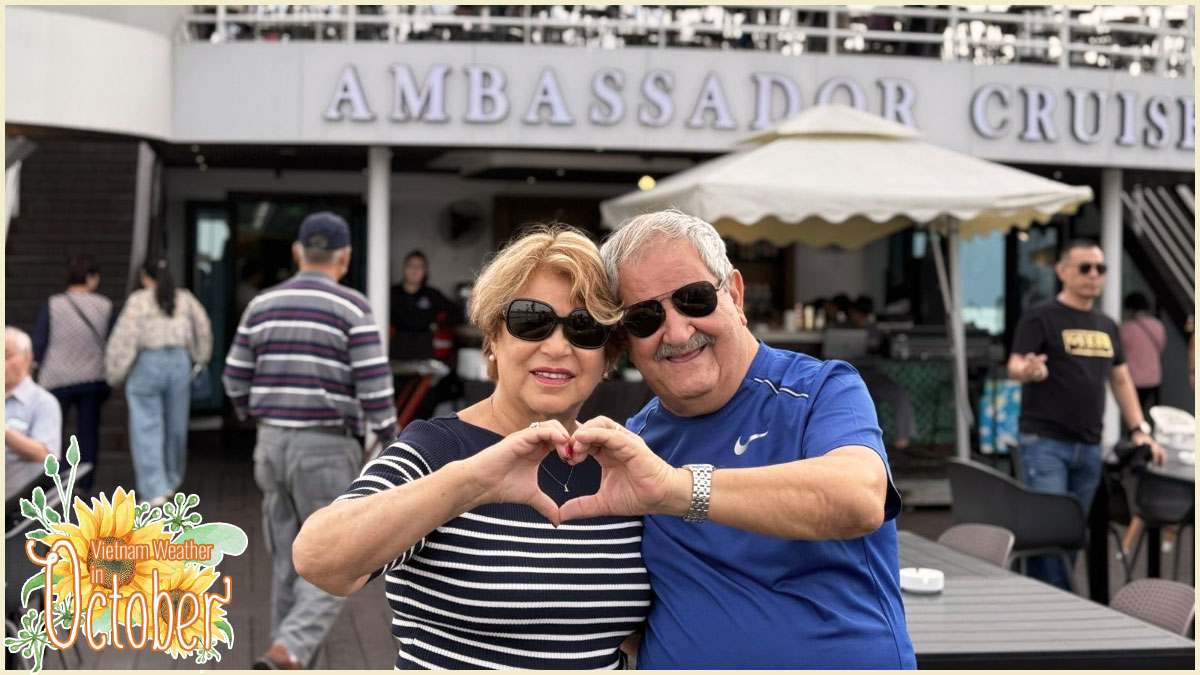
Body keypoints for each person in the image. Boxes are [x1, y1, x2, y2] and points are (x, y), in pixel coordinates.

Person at [554, 209, 914, 669]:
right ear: (625, 338)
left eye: (694, 298)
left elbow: (859, 498)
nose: (678, 331)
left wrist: (676, 488)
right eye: (645, 317)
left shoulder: (821, 389)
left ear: (736, 296)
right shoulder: (634, 443)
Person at [292, 225, 649, 669]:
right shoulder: (438, 449)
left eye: (585, 328)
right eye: (531, 320)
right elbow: (320, 558)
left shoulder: (622, 464)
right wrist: (473, 482)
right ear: (494, 337)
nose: (558, 346)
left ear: (608, 355)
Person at [222, 211, 398, 670]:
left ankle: (289, 658)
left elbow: (234, 378)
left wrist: (257, 417)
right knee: (340, 558)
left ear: (299, 253)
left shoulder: (261, 305)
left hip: (271, 445)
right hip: (326, 445)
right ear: (345, 257)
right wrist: (388, 436)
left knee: (288, 560)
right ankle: (292, 650)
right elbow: (375, 388)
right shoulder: (352, 308)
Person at [1007, 239, 1165, 591]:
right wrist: (1028, 371)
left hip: (1090, 446)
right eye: (1085, 267)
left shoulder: (1108, 325)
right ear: (1062, 271)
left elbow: (1121, 379)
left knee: (1072, 536)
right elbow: (1016, 363)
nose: (1094, 275)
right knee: (1048, 533)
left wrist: (1140, 428)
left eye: (1101, 268)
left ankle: (1060, 609)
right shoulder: (1041, 316)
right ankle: (1046, 613)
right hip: (1045, 442)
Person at [105, 257, 212, 507]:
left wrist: (115, 372)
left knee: (146, 426)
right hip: (179, 362)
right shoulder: (184, 298)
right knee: (176, 424)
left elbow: (126, 338)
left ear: (144, 276)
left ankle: (154, 489)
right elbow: (204, 328)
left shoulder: (139, 301)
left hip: (147, 364)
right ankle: (172, 479)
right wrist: (200, 358)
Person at [31, 255, 113, 491]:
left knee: (52, 431)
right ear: (91, 278)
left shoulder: (52, 304)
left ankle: (51, 480)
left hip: (56, 377)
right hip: (93, 377)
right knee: (88, 433)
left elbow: (39, 341)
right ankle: (84, 483)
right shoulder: (105, 305)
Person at [389, 250, 462, 419]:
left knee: (423, 403)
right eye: (410, 266)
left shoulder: (431, 295)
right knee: (398, 400)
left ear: (425, 271)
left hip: (423, 352)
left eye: (419, 267)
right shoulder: (393, 294)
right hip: (398, 353)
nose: (414, 271)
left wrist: (438, 324)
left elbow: (457, 313)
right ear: (404, 269)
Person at [5, 327, 62, 463]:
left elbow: (46, 457)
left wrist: (6, 433)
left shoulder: (43, 402)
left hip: (18, 482)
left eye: (7, 356)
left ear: (28, 358)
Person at [1118, 291, 1166, 412]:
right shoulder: (1157, 325)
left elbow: (1118, 354)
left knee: (1133, 411)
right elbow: (1161, 347)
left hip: (1132, 379)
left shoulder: (1124, 328)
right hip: (1154, 377)